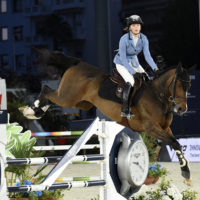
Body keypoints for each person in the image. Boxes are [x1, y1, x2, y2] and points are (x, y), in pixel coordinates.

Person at [113, 14, 159, 119]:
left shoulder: (143, 38)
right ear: (129, 27)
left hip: (134, 61)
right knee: (131, 80)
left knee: (147, 78)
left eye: (138, 25)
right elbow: (124, 59)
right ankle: (125, 109)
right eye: (133, 25)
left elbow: (147, 56)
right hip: (121, 62)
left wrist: (155, 68)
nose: (136, 27)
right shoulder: (124, 39)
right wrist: (133, 72)